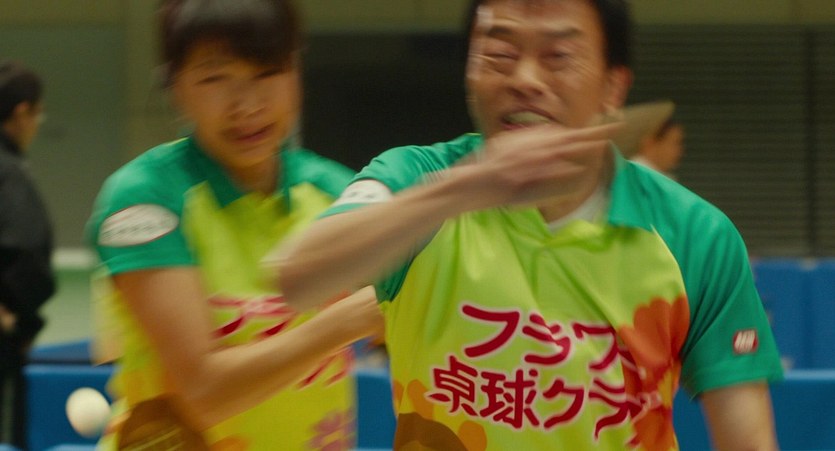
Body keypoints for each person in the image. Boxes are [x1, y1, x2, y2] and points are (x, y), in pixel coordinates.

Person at [271, 0, 783, 449]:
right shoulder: (413, 178)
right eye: (500, 54)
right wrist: (472, 185)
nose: (526, 80)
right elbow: (298, 278)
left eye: (558, 56)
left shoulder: (696, 235)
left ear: (613, 86)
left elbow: (748, 442)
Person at [85, 0, 382, 449]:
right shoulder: (145, 200)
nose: (247, 105)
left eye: (267, 73)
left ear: (295, 74)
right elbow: (204, 394)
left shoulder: (338, 191)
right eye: (215, 78)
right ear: (176, 87)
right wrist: (349, 321)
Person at [0, 60, 55, 450]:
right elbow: (27, 250)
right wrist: (22, 323)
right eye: (38, 114)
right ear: (22, 113)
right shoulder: (9, 173)